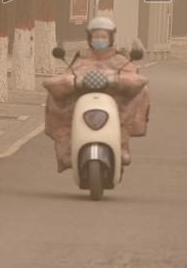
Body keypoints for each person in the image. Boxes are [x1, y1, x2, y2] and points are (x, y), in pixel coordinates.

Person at [42, 16, 151, 173]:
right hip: (81, 98)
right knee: (55, 98)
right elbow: (68, 74)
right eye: (96, 36)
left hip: (115, 101)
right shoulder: (81, 57)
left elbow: (133, 76)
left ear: (111, 37)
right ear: (89, 37)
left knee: (141, 92)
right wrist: (72, 81)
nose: (99, 39)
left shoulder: (119, 59)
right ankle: (66, 149)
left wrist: (116, 81)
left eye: (103, 36)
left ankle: (122, 144)